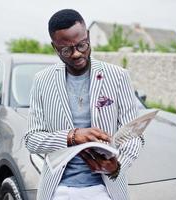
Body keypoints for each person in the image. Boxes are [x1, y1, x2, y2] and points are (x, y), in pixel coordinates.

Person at [25, 9, 143, 200]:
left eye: (82, 45)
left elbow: (135, 134)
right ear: (55, 48)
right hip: (57, 189)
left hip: (107, 189)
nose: (76, 53)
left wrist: (117, 165)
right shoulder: (42, 80)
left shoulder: (118, 76)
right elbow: (31, 139)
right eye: (66, 49)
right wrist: (72, 136)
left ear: (88, 36)